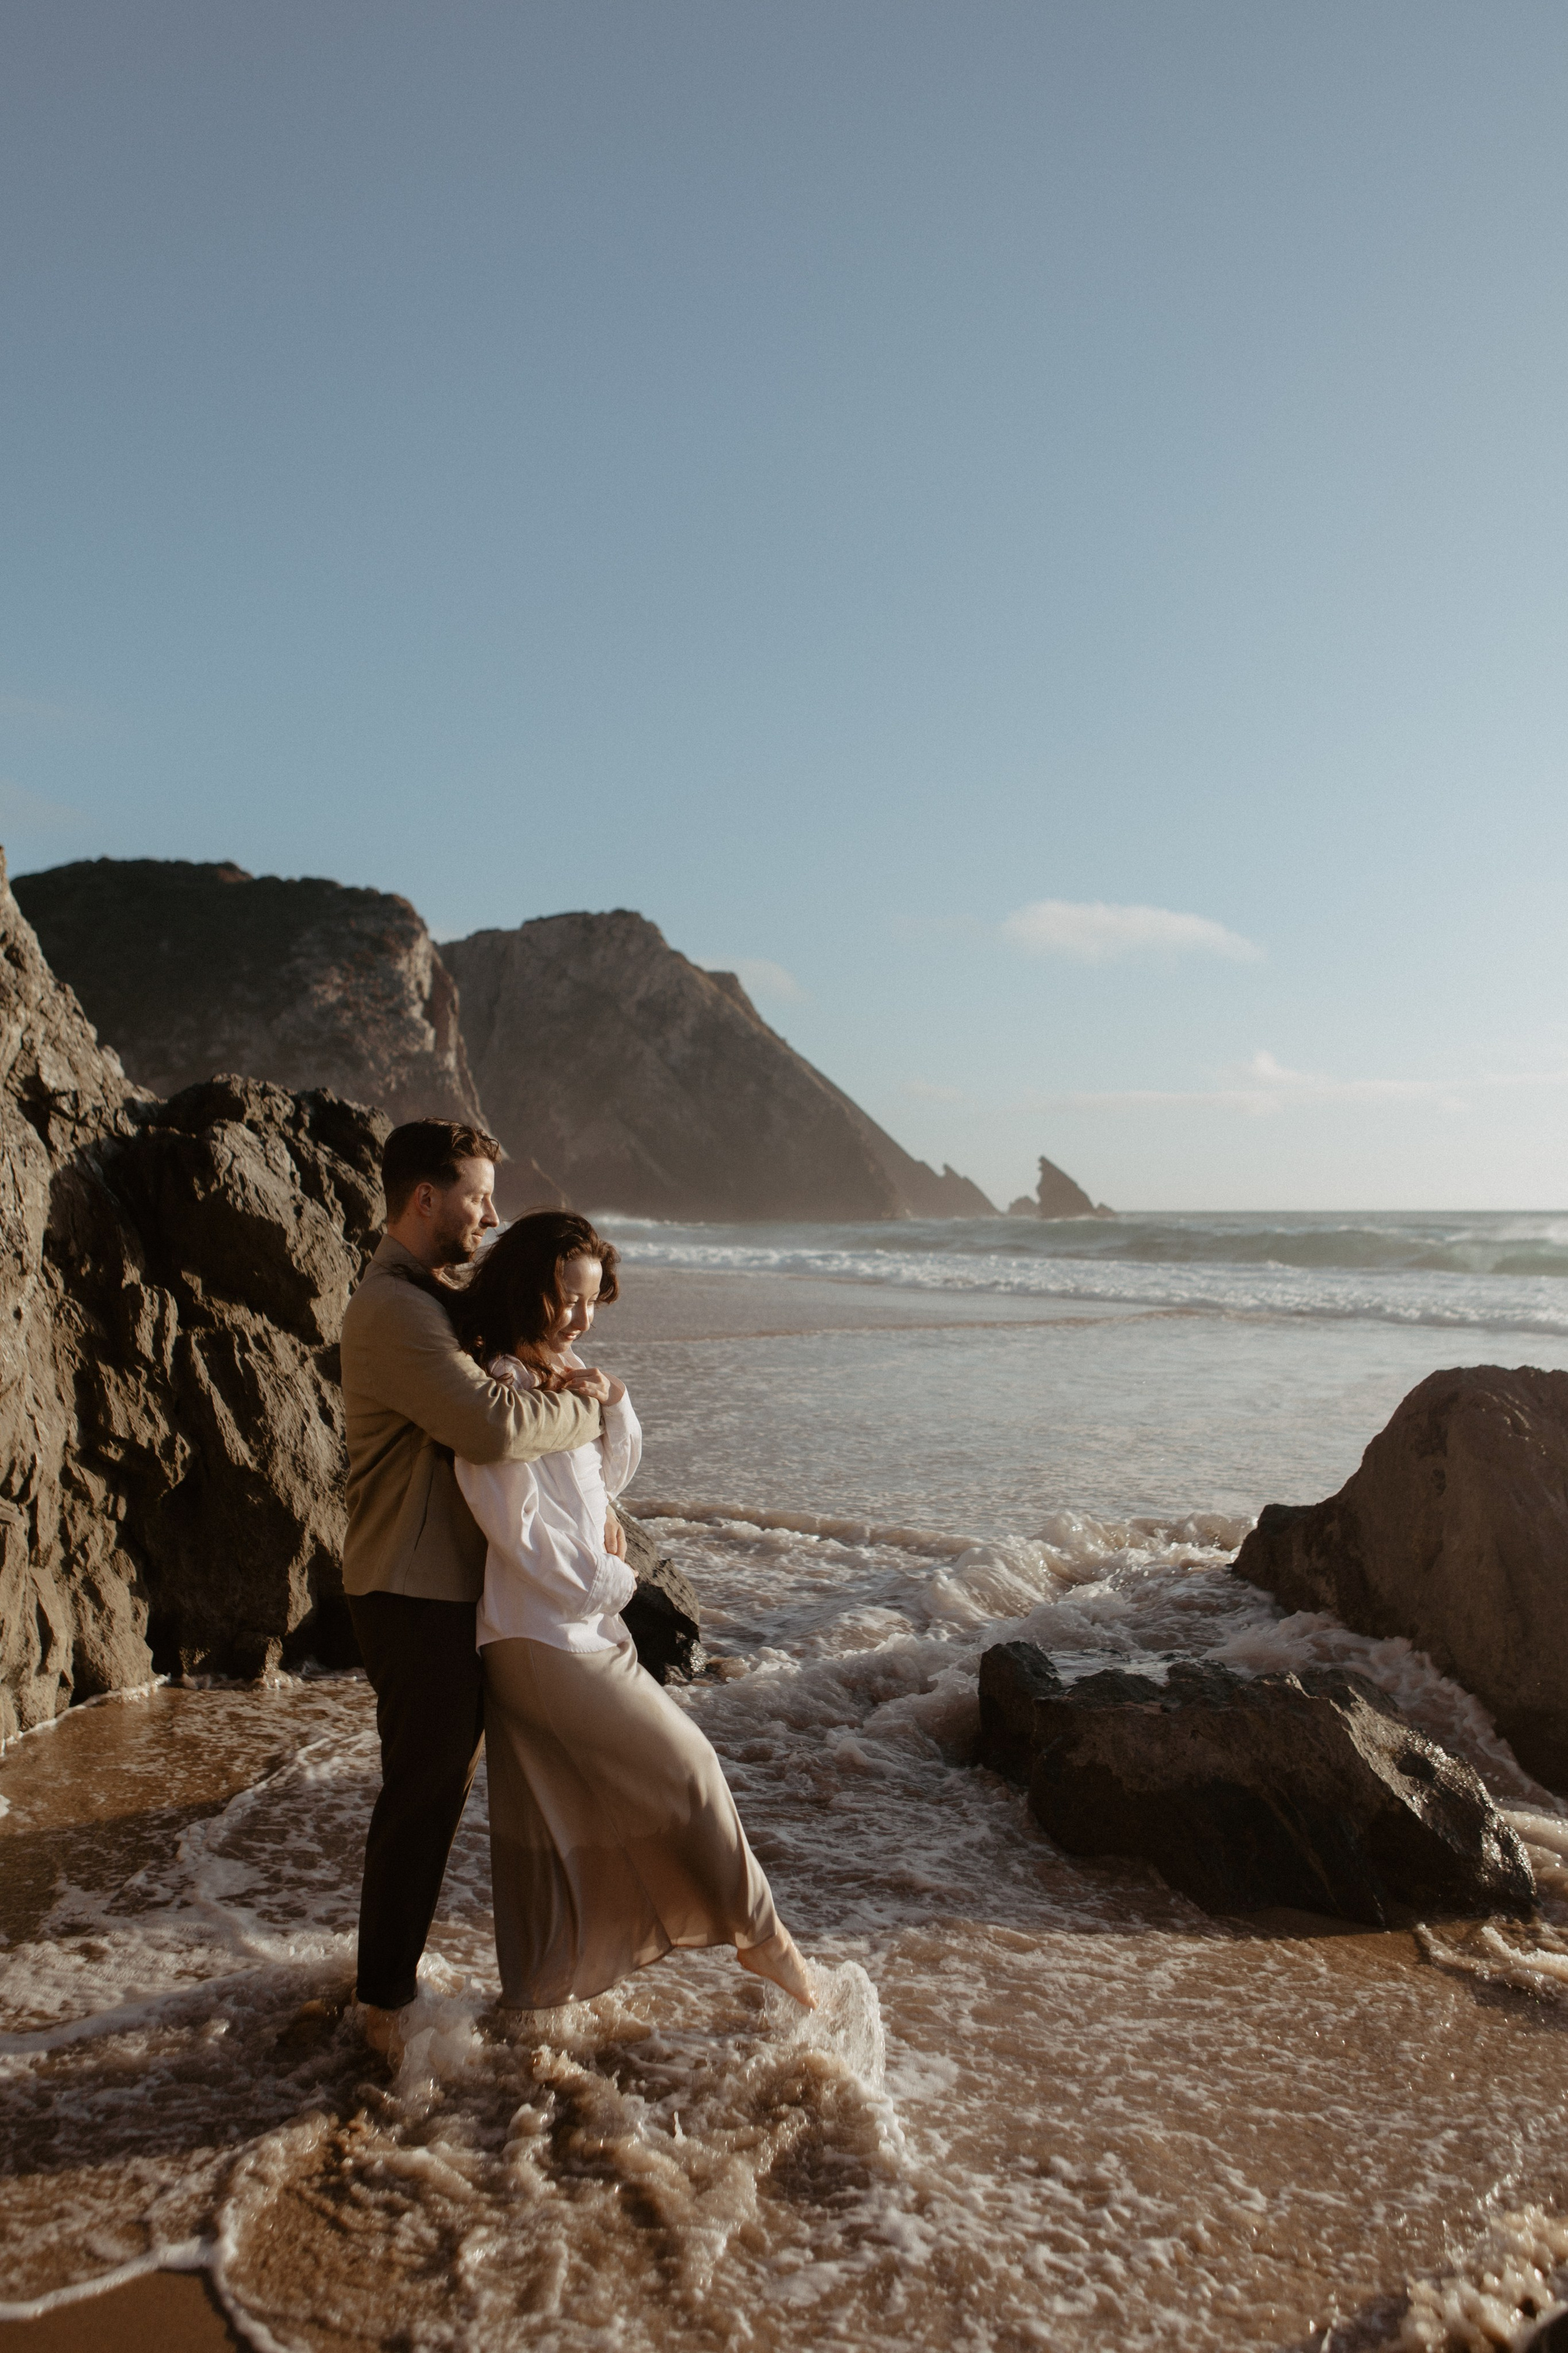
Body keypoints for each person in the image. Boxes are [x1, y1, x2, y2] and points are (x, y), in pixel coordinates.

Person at [453, 1210, 816, 2014]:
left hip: (579, 1631)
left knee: (556, 1822)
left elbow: (606, 1476)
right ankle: (765, 1939)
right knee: (688, 1767)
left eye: (590, 1302)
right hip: (540, 1636)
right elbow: (513, 1529)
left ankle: (539, 1999)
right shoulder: (500, 1390)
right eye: (564, 1299)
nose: (580, 1317)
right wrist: (617, 1581)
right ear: (525, 1290)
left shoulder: (565, 1372)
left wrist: (613, 1395)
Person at [339, 1121, 608, 2058]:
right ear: (425, 1197)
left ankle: (447, 1984)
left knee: (441, 1786)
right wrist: (585, 1405)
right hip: (409, 1591)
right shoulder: (393, 1310)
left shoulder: (431, 1301)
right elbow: (490, 1425)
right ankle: (382, 2006)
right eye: (478, 1197)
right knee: (424, 1791)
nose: (491, 1215)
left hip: (443, 1586)